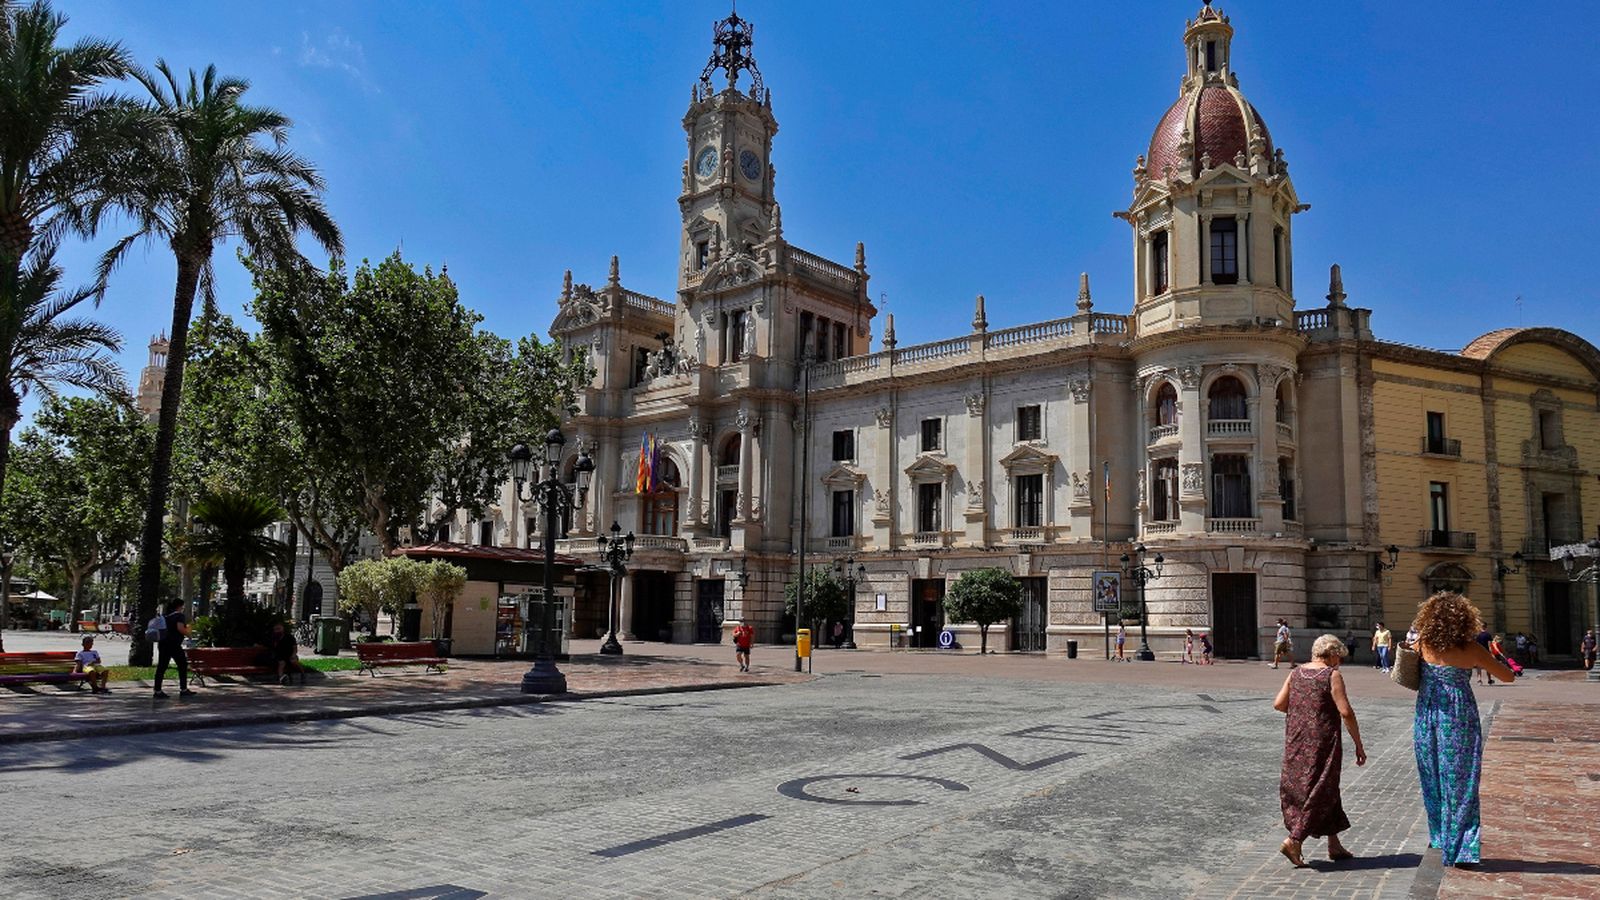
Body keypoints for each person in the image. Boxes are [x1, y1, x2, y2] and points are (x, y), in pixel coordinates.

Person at [1413, 591, 1514, 868]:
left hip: (1427, 714)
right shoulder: (1471, 649)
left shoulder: (1421, 644)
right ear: (1464, 620)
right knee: (1462, 780)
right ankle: (1461, 847)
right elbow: (1507, 677)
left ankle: (1441, 836)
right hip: (1458, 716)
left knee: (1433, 775)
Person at [1273, 634, 1366, 867]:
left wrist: (1304, 713)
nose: (1340, 662)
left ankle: (1334, 844)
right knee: (1321, 788)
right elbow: (1345, 712)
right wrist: (1358, 744)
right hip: (1323, 742)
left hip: (1296, 740)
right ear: (1332, 654)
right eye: (1339, 657)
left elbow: (1279, 704)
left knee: (1323, 788)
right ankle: (1294, 840)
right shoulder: (1331, 675)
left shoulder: (1295, 673)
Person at [153, 600, 194, 699]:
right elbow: (180, 628)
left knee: (162, 667)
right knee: (182, 665)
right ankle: (183, 689)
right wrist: (188, 634)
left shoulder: (166, 616)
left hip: (163, 644)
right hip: (174, 644)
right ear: (180, 606)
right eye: (182, 607)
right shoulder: (179, 616)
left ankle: (157, 690)